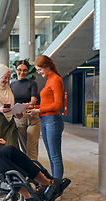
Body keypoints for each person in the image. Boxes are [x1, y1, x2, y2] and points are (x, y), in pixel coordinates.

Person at [26, 55, 65, 185]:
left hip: (52, 120)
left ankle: (57, 188)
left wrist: (38, 110)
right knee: (51, 156)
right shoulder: (49, 79)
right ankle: (54, 185)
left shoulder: (55, 79)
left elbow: (57, 105)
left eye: (39, 69)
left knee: (55, 156)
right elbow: (48, 104)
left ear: (47, 66)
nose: (39, 72)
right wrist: (33, 106)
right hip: (46, 119)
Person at [10, 60, 41, 160]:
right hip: (19, 118)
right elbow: (10, 102)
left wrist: (26, 104)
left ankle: (34, 172)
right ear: (15, 70)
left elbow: (33, 101)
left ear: (28, 71)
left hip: (32, 118)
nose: (22, 72)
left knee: (32, 149)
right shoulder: (12, 85)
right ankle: (28, 171)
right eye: (19, 70)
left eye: (25, 70)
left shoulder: (32, 84)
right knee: (24, 148)